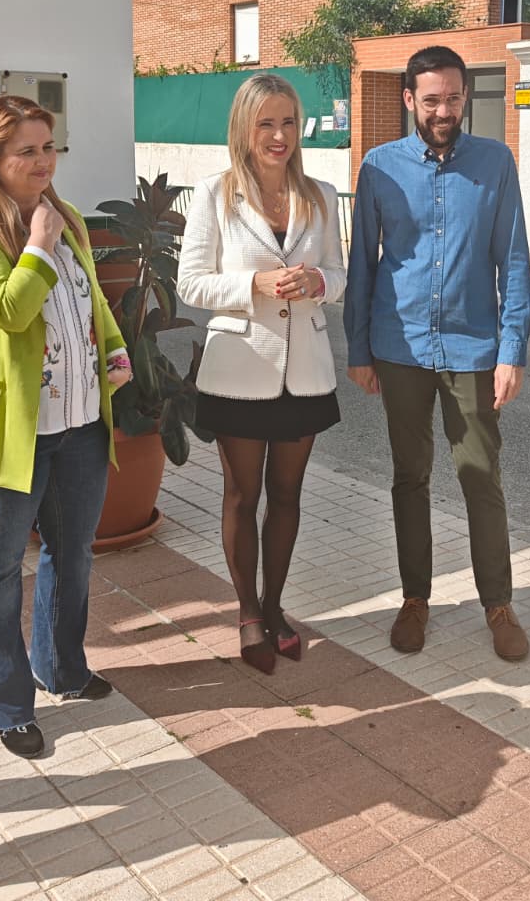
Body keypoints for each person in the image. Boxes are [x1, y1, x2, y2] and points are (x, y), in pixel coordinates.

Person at [0, 95, 132, 759]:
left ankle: (62, 669)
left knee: (72, 556)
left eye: (49, 147)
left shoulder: (63, 217)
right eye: (27, 151)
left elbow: (90, 300)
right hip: (3, 434)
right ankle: (4, 705)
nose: (44, 161)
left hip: (78, 425)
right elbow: (9, 310)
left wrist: (114, 347)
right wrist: (39, 245)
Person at [344, 45, 530, 662]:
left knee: (481, 475)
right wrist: (359, 349)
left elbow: (514, 260)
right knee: (410, 477)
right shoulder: (379, 167)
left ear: (464, 96)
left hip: (473, 348)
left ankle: (497, 604)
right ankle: (414, 599)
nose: (444, 110)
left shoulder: (495, 163)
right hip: (398, 347)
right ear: (409, 100)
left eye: (453, 98)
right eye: (431, 100)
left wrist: (512, 350)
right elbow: (363, 264)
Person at [176, 74, 345, 674]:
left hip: (305, 372)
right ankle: (248, 611)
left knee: (289, 495)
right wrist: (253, 284)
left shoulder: (322, 195)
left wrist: (318, 281)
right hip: (239, 373)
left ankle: (275, 608)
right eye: (265, 123)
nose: (279, 136)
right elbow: (190, 283)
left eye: (288, 122)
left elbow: (340, 275)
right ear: (243, 130)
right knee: (242, 495)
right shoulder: (214, 194)